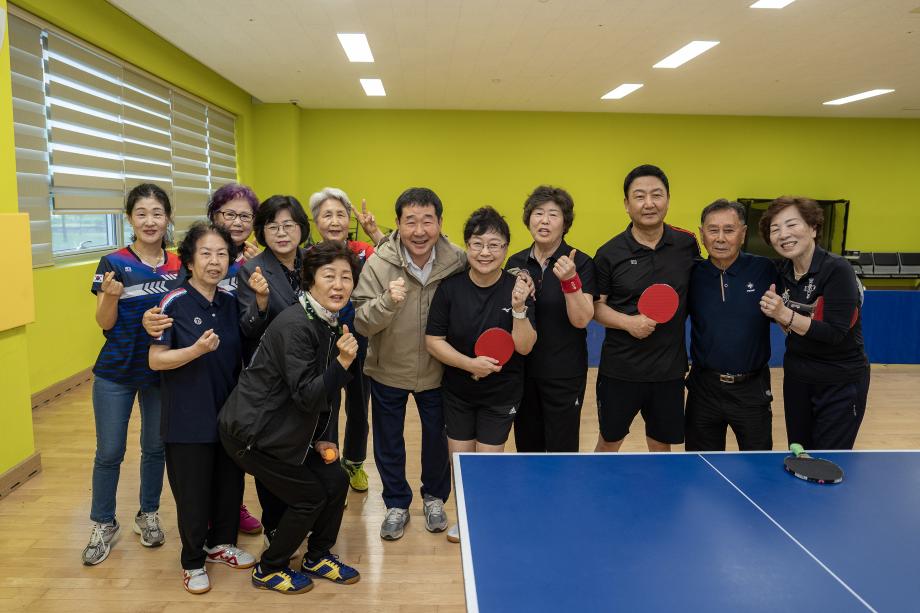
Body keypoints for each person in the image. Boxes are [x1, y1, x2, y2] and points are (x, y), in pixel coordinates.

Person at [219, 241, 362, 595]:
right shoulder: (297, 325)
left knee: (336, 480)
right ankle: (270, 567)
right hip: (252, 434)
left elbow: (325, 393)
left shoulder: (327, 320)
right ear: (310, 279)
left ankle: (317, 556)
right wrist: (343, 363)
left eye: (346, 277)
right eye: (329, 276)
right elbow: (308, 394)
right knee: (309, 496)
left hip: (287, 428)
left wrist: (325, 436)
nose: (339, 285)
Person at [143, 181, 264, 536]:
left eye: (245, 216)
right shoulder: (193, 269)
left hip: (231, 381)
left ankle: (229, 516)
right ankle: (197, 532)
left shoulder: (253, 262)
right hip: (189, 386)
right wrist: (154, 321)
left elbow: (251, 324)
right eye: (229, 214)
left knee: (227, 464)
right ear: (215, 215)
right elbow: (173, 306)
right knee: (194, 469)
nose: (237, 221)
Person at [352, 187, 467, 541]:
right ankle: (396, 504)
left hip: (439, 369)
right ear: (398, 224)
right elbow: (361, 321)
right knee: (389, 441)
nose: (419, 231)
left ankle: (435, 499)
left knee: (437, 440)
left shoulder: (457, 260)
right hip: (388, 367)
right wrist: (387, 302)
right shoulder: (379, 263)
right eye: (410, 221)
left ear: (440, 222)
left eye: (427, 221)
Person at [149, 223, 256, 594]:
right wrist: (195, 351)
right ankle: (193, 561)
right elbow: (156, 360)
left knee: (229, 486)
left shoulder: (230, 302)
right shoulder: (172, 302)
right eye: (206, 254)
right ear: (190, 261)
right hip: (187, 418)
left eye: (222, 254)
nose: (215, 261)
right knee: (193, 495)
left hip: (227, 417)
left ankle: (222, 545)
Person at [82, 183, 181, 566]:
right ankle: (103, 522)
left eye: (157, 213)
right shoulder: (112, 262)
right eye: (141, 214)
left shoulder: (178, 266)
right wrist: (110, 296)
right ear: (129, 219)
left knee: (155, 447)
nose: (150, 221)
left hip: (160, 370)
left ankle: (148, 514)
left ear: (168, 218)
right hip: (116, 370)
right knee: (109, 452)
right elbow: (104, 324)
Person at [426, 206, 536, 542]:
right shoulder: (450, 289)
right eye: (477, 244)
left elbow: (525, 347)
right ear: (467, 247)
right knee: (461, 461)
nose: (485, 252)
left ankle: (485, 518)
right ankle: (465, 517)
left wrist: (519, 309)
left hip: (501, 394)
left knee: (487, 462)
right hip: (458, 391)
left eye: (494, 245)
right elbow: (433, 341)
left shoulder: (518, 288)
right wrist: (469, 364)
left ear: (505, 249)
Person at [592, 164, 701, 452]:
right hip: (620, 370)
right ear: (627, 204)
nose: (649, 203)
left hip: (669, 371)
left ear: (668, 199)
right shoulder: (608, 253)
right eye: (639, 196)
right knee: (609, 441)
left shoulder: (687, 244)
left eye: (657, 195)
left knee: (661, 444)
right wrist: (628, 323)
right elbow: (597, 307)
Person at [758, 197, 869, 449]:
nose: (783, 234)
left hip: (839, 382)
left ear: (813, 228)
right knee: (800, 453)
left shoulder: (837, 269)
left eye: (791, 224)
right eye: (775, 229)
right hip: (797, 379)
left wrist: (784, 314)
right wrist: (779, 317)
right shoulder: (781, 271)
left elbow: (835, 333)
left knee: (827, 459)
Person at [235, 194, 312, 540]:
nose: (281, 233)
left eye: (288, 225)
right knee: (273, 451)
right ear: (262, 232)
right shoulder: (252, 269)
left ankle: (304, 517)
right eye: (272, 226)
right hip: (274, 380)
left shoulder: (314, 261)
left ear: (301, 228)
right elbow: (248, 329)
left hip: (311, 375)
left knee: (308, 449)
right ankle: (275, 526)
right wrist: (262, 301)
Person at [506, 186, 595, 452]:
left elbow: (582, 320)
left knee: (562, 452)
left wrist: (570, 281)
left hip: (564, 374)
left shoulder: (581, 263)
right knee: (528, 450)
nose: (544, 221)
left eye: (553, 215)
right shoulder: (515, 262)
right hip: (523, 373)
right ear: (528, 219)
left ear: (565, 223)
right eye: (538, 213)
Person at [308, 187, 384, 493]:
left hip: (360, 337)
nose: (335, 221)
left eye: (341, 214)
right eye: (327, 215)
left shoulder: (364, 250)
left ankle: (354, 462)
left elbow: (394, 256)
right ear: (316, 221)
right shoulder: (308, 256)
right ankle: (328, 464)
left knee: (359, 404)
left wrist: (375, 231)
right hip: (322, 340)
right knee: (326, 403)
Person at [685, 200, 777, 451]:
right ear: (702, 233)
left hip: (752, 390)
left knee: (758, 466)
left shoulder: (765, 270)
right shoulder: (691, 274)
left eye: (729, 230)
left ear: (743, 233)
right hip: (704, 390)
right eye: (713, 230)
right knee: (701, 466)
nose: (720, 238)